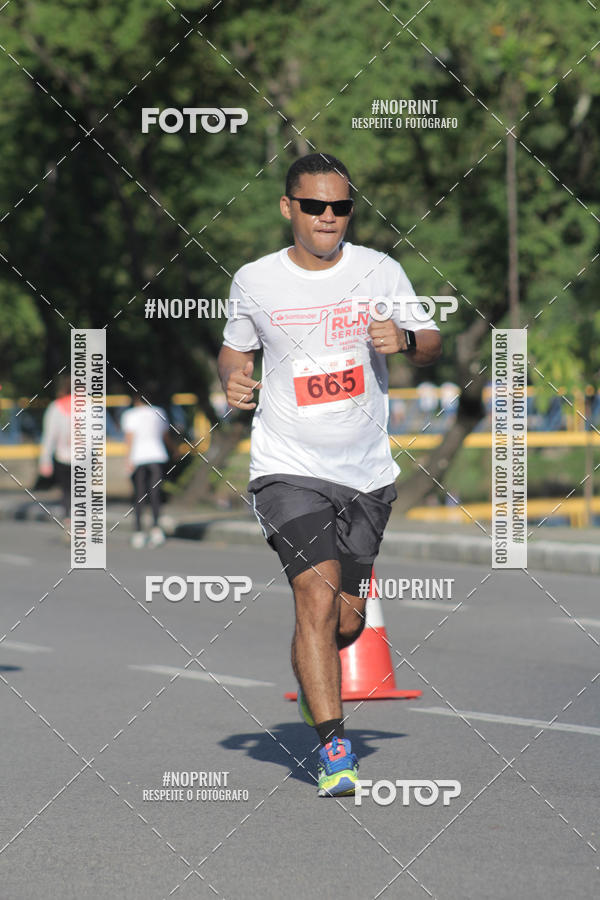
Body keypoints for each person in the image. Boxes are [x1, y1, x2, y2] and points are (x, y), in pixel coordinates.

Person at [218, 152, 442, 797]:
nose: (328, 218)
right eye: (314, 206)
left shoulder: (380, 270)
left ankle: (314, 694)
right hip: (287, 466)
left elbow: (430, 343)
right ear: (289, 207)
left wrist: (403, 341)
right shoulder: (256, 280)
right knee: (314, 597)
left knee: (345, 620)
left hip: (367, 472)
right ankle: (333, 746)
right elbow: (236, 348)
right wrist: (231, 379)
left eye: (339, 207)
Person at [121, 393, 172, 548]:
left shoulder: (130, 414)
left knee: (139, 495)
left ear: (136, 400)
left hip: (138, 458)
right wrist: (173, 450)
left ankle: (138, 531)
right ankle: (156, 529)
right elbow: (165, 436)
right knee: (155, 494)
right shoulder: (159, 412)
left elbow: (129, 438)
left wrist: (127, 459)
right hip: (157, 455)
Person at [39, 374, 72, 534]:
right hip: (84, 457)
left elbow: (49, 436)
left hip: (63, 456)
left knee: (67, 491)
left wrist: (45, 461)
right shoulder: (89, 406)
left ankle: (69, 520)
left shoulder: (56, 407)